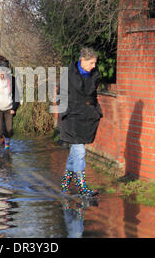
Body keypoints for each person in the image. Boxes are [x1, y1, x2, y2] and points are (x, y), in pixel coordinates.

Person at [59, 47, 103, 198]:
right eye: (91, 63)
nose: (94, 66)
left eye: (95, 63)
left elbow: (93, 96)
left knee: (75, 153)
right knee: (80, 152)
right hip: (72, 118)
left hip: (87, 118)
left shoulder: (94, 75)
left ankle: (65, 184)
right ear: (82, 61)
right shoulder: (68, 75)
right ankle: (82, 187)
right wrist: (67, 111)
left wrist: (96, 110)